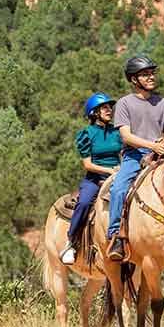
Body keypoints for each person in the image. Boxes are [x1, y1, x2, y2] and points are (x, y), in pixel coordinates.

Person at [106, 57, 164, 261]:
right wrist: (151, 145)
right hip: (134, 155)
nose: (151, 77)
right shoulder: (124, 103)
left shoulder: (162, 102)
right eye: (145, 74)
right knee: (118, 188)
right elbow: (126, 136)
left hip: (162, 152)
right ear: (134, 79)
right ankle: (115, 235)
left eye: (152, 73)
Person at [61, 92, 122, 266]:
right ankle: (71, 242)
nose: (109, 110)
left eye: (110, 107)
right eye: (105, 107)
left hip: (118, 175)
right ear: (94, 112)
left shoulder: (117, 131)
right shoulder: (87, 134)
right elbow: (87, 164)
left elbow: (124, 152)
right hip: (95, 178)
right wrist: (109, 170)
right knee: (84, 203)